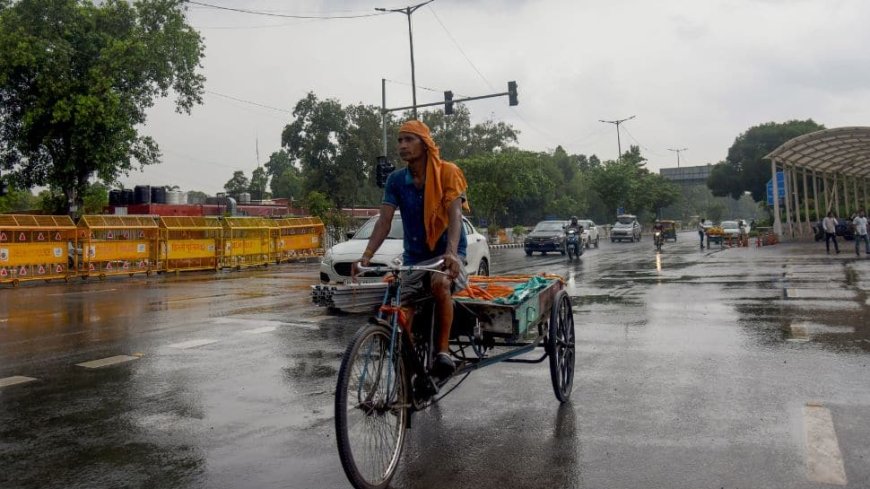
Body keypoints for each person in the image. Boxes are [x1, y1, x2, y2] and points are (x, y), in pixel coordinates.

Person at [357, 120, 469, 378]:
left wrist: (452, 253)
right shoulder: (396, 181)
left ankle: (442, 353)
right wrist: (366, 256)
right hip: (415, 257)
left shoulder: (448, 173)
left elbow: (455, 216)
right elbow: (384, 221)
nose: (403, 145)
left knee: (440, 285)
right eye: (400, 140)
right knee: (396, 306)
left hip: (447, 255)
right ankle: (406, 369)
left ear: (425, 144)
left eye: (409, 139)